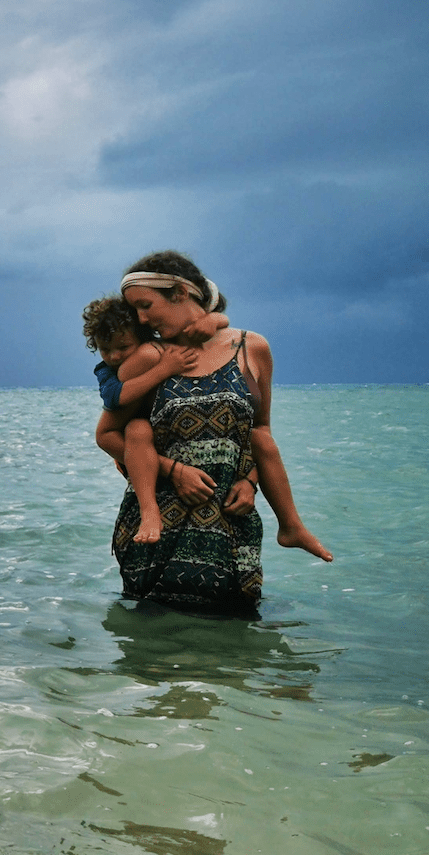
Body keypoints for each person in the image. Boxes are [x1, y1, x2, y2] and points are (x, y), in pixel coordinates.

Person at [108, 250, 331, 613]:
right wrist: (174, 471)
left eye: (146, 305)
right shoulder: (151, 357)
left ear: (181, 293)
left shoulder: (252, 348)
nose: (141, 319)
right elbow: (111, 434)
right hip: (160, 527)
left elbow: (259, 430)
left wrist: (251, 480)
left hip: (231, 523)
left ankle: (291, 528)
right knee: (153, 646)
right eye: (135, 310)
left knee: (236, 650)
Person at [83, 296, 226, 543]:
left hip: (159, 441)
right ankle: (149, 511)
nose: (114, 357)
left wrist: (213, 320)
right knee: (137, 428)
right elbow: (116, 397)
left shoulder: (157, 346)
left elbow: (221, 319)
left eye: (123, 347)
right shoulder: (107, 371)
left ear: (143, 337)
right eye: (105, 349)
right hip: (134, 445)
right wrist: (164, 369)